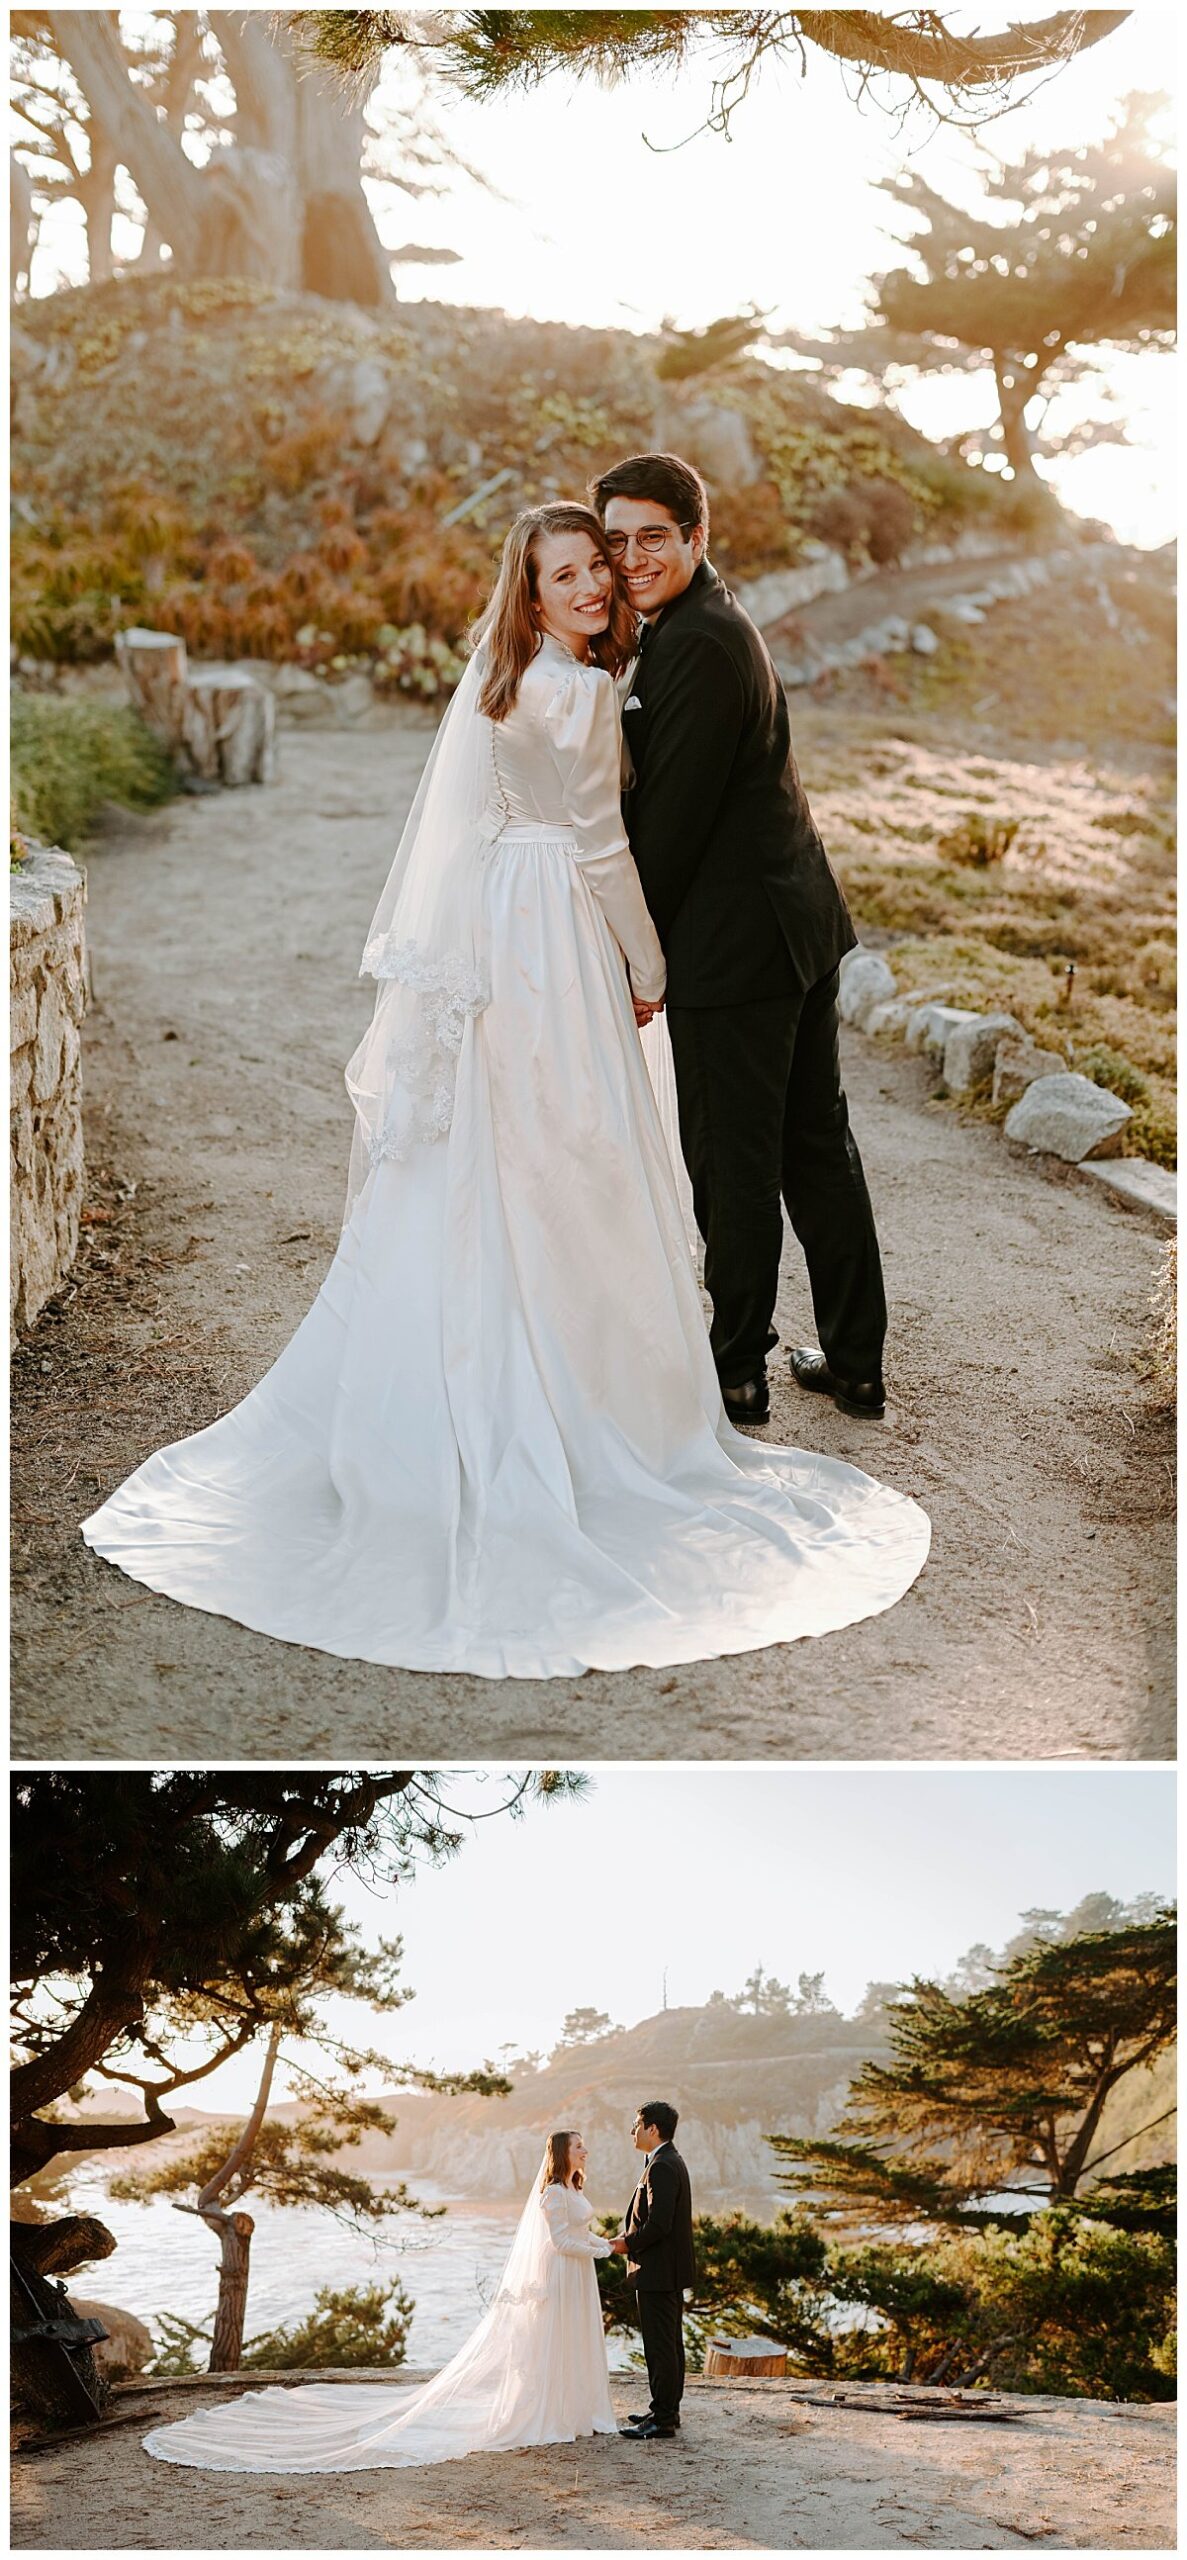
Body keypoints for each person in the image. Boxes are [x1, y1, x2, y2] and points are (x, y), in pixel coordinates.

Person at [82, 502, 928, 1675]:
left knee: (503, 1154)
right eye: (568, 575)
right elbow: (599, 844)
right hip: (558, 936)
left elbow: (499, 826)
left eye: (599, 567)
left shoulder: (507, 679)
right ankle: (598, 1396)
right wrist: (645, 962)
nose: (594, 587)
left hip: (498, 935)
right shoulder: (576, 691)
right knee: (576, 1153)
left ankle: (519, 1375)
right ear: (527, 597)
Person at [594, 450, 888, 1427]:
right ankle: (853, 1363)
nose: (630, 556)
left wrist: (624, 949)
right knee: (812, 1145)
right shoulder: (699, 626)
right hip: (793, 927)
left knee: (733, 1160)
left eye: (651, 536)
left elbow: (665, 833)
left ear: (694, 537)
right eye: (616, 539)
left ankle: (733, 1370)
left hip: (740, 950)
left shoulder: (697, 647)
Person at [142, 2131, 619, 2473]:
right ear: (561, 2154)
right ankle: (554, 2413)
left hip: (577, 2278)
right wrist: (605, 2249)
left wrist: (606, 2241)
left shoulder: (572, 2187)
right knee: (556, 2343)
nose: (586, 2149)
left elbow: (578, 2233)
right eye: (579, 2145)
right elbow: (559, 2243)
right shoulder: (553, 2193)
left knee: (570, 2343)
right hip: (564, 2275)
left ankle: (576, 2410)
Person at [613, 2102, 695, 2441]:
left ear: (652, 2129)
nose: (632, 2131)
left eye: (636, 2125)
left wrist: (625, 2244)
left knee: (661, 2346)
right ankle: (666, 2410)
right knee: (670, 2344)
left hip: (658, 2271)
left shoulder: (662, 2166)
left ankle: (662, 2419)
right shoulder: (666, 2160)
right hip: (668, 2271)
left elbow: (659, 2224)